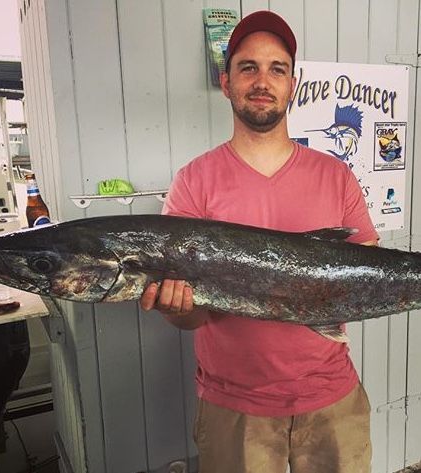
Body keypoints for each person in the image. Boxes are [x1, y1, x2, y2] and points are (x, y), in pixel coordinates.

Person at [141, 10, 378, 473]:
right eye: (247, 67)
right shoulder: (194, 182)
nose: (262, 80)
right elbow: (191, 320)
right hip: (235, 409)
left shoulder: (336, 176)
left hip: (334, 399)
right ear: (226, 82)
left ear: (293, 83)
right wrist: (176, 307)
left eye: (277, 68)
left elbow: (364, 279)